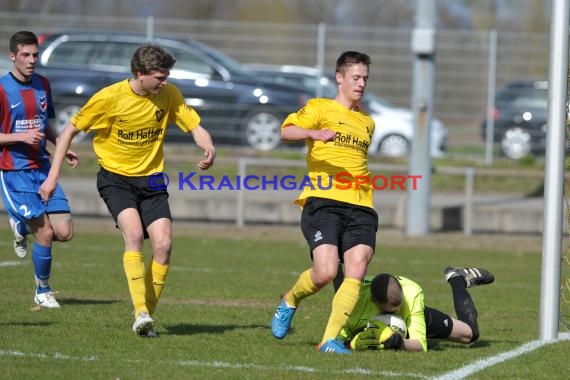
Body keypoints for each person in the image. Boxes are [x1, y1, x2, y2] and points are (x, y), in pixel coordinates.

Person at [39, 42, 216, 337]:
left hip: (153, 179)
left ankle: (144, 317)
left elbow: (194, 126)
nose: (165, 82)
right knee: (133, 235)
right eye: (159, 77)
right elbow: (70, 130)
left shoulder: (168, 94)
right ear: (139, 73)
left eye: (166, 76)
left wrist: (208, 146)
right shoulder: (109, 98)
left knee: (163, 245)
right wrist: (53, 176)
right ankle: (142, 311)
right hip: (115, 179)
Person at [271, 51, 377, 354]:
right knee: (327, 272)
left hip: (362, 205)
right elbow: (286, 131)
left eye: (365, 79)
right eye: (356, 78)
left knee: (357, 266)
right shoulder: (319, 107)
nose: (361, 84)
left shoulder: (367, 122)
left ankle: (329, 340)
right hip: (324, 202)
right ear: (340, 78)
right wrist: (313, 132)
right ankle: (290, 299)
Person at [0, 31, 78, 308]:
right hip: (14, 172)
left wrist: (61, 145)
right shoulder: (1, 89)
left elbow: (45, 124)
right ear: (13, 56)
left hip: (43, 168)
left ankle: (19, 224)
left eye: (35, 54)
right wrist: (19, 137)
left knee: (64, 232)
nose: (31, 60)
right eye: (25, 55)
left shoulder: (43, 84)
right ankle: (42, 291)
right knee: (44, 232)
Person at [339, 267, 495, 352]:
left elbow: (420, 346)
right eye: (390, 311)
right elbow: (336, 341)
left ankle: (457, 278)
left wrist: (397, 342)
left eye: (398, 308)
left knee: (470, 334)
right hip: (367, 313)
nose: (395, 313)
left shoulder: (411, 294)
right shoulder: (355, 301)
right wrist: (351, 343)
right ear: (373, 301)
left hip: (414, 315)